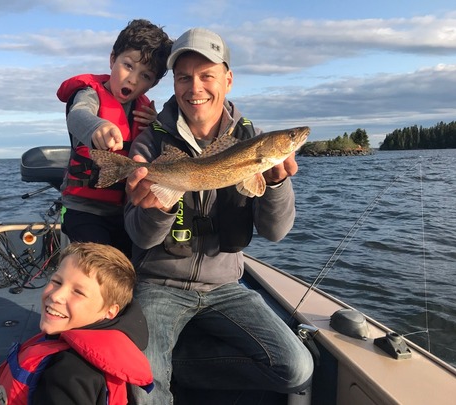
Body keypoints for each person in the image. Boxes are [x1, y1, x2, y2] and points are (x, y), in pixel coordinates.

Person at [124, 28, 314, 403]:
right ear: (174, 84)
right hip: (158, 284)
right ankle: (158, 366)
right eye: (184, 77)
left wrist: (277, 184)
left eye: (207, 75)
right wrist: (160, 206)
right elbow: (141, 237)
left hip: (226, 286)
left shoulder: (254, 141)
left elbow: (276, 232)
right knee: (144, 387)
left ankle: (173, 363)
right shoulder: (150, 143)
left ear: (228, 79)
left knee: (297, 367)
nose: (195, 87)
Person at [56, 19, 173, 256]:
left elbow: (159, 146)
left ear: (153, 84)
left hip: (124, 212)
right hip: (83, 211)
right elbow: (77, 116)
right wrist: (97, 126)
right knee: (99, 263)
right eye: (128, 66)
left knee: (129, 264)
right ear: (112, 59)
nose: (133, 79)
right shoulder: (89, 94)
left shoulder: (145, 111)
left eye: (145, 76)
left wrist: (156, 124)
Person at [0, 242, 153, 405]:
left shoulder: (68, 373)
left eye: (78, 292)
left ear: (110, 311)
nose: (56, 296)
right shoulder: (115, 342)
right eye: (57, 282)